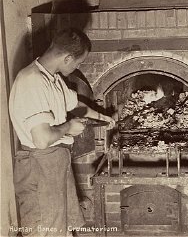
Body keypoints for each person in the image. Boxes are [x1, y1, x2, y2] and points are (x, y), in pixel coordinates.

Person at [9, 28, 115, 236]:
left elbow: (75, 104)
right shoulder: (32, 82)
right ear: (67, 58)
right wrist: (69, 127)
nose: (78, 66)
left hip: (55, 163)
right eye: (79, 62)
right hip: (39, 166)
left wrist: (102, 118)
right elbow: (41, 139)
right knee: (45, 229)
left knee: (63, 226)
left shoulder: (51, 78)